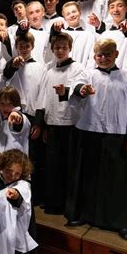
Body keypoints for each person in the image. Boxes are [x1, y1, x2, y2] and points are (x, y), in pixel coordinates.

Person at [66, 38, 127, 241]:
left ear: (116, 55)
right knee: (88, 177)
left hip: (119, 135)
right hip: (89, 133)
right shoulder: (88, 74)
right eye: (99, 55)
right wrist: (81, 90)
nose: (103, 58)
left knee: (118, 182)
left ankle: (120, 222)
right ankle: (84, 215)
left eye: (107, 54)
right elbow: (74, 87)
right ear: (94, 56)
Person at [40, 32, 84, 215]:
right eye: (57, 48)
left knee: (70, 168)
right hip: (53, 124)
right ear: (52, 49)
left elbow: (79, 90)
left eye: (64, 47)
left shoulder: (78, 69)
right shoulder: (49, 71)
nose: (60, 51)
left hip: (71, 124)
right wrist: (43, 125)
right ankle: (54, 202)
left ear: (70, 49)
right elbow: (43, 99)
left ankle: (70, 206)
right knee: (53, 167)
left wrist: (66, 91)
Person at [0, 149, 38, 254]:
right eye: (9, 171)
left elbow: (19, 195)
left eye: (17, 173)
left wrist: (14, 195)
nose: (12, 177)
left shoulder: (22, 184)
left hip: (15, 237)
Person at [50, 1, 96, 68]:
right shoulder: (60, 35)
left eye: (74, 12)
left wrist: (87, 74)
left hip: (82, 74)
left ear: (80, 13)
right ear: (64, 18)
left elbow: (92, 58)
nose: (72, 15)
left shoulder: (89, 36)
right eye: (68, 14)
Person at [16, 1, 52, 65]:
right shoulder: (25, 33)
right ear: (27, 16)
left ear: (43, 13)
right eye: (31, 13)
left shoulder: (48, 34)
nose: (35, 16)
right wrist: (22, 28)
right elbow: (19, 33)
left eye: (37, 11)